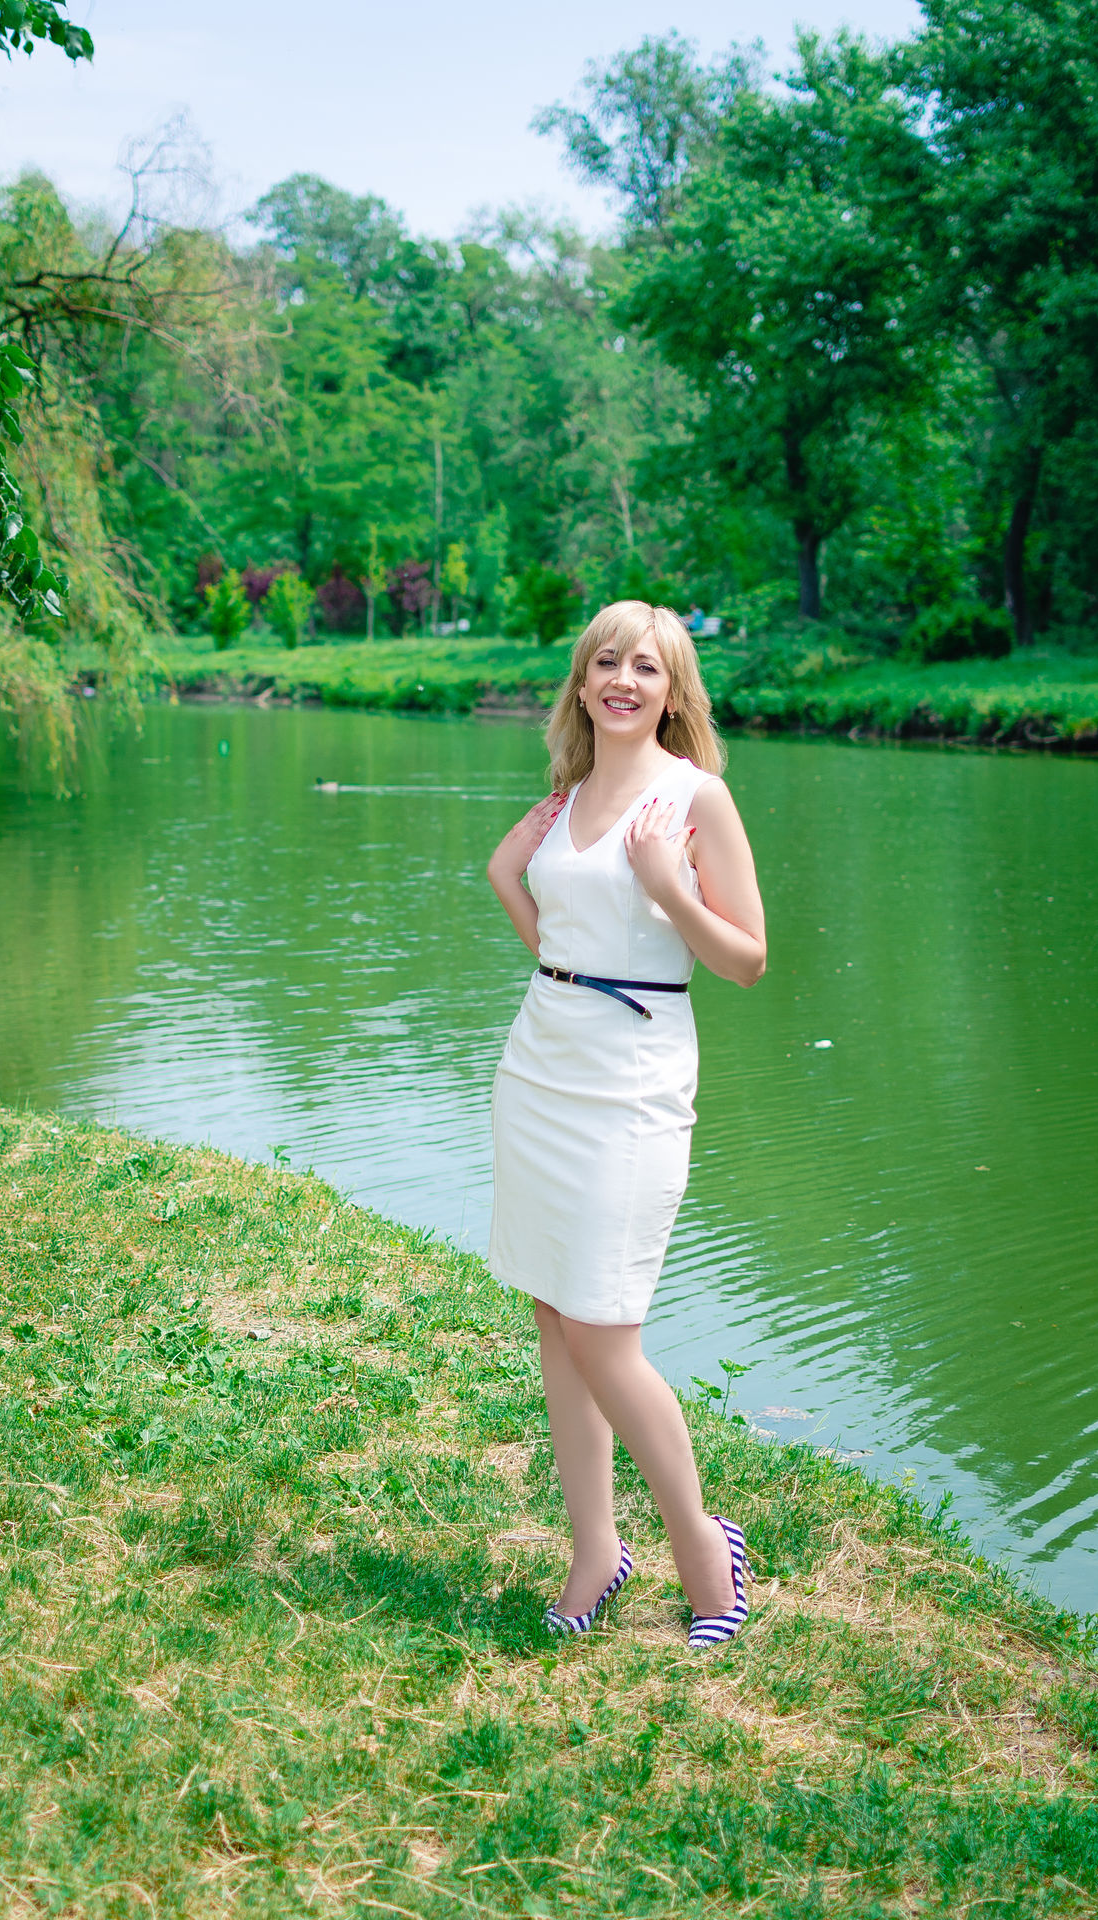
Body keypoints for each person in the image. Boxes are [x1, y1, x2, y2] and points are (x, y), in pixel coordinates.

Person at [486, 600, 766, 1648]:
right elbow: (561, 946)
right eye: (605, 661)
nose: (621, 680)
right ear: (581, 680)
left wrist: (667, 888)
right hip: (539, 1068)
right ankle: (595, 1549)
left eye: (645, 667)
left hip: (632, 1083)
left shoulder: (696, 797)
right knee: (556, 1318)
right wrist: (505, 876)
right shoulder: (566, 796)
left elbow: (746, 960)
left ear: (673, 693)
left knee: (605, 1329)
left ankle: (704, 1553)